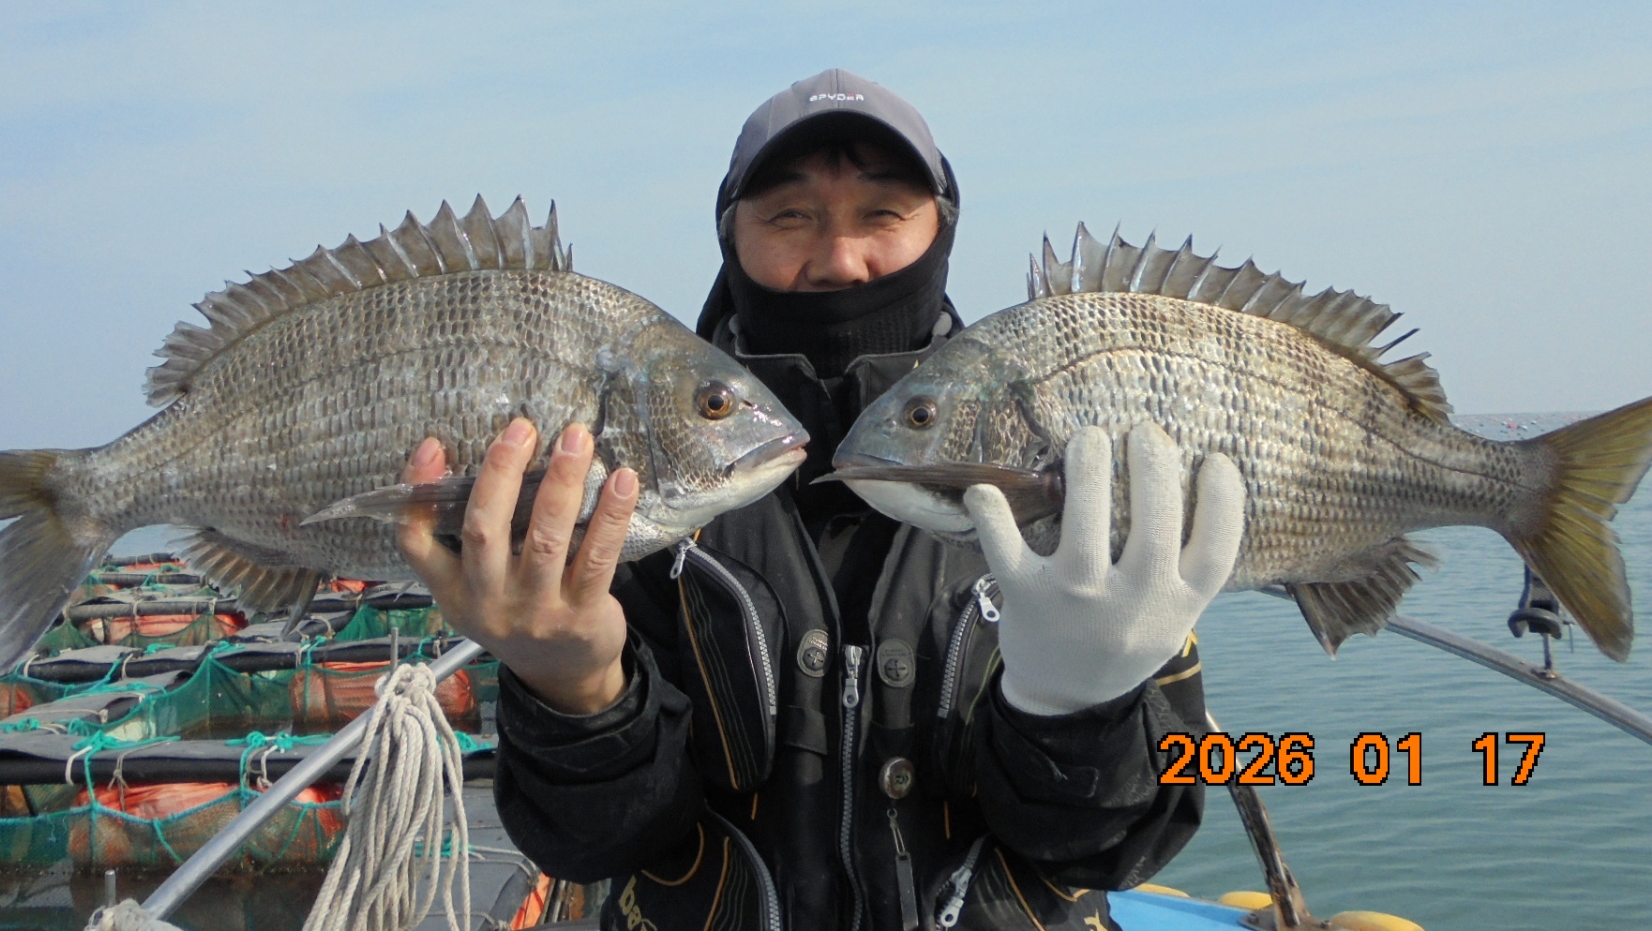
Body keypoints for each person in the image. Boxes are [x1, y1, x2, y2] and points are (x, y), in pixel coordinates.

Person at [398, 69, 1246, 930]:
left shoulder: (1069, 456)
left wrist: (1081, 707)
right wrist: (573, 687)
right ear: (731, 238)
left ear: (942, 233)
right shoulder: (629, 484)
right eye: (789, 217)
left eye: (882, 214)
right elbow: (596, 848)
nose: (841, 259)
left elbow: (1123, 847)